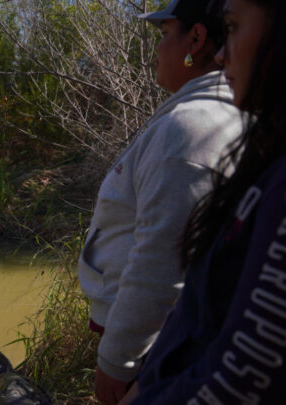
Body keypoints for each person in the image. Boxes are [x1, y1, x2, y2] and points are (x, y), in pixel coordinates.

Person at [76, 0, 243, 403]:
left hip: (158, 354)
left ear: (197, 39)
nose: (157, 48)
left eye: (165, 35)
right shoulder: (214, 115)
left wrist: (117, 365)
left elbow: (161, 263)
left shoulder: (191, 129)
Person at [119, 0, 286, 403]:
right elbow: (200, 309)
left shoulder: (189, 128)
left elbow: (245, 369)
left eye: (232, 27)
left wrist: (117, 365)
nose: (222, 53)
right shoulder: (264, 154)